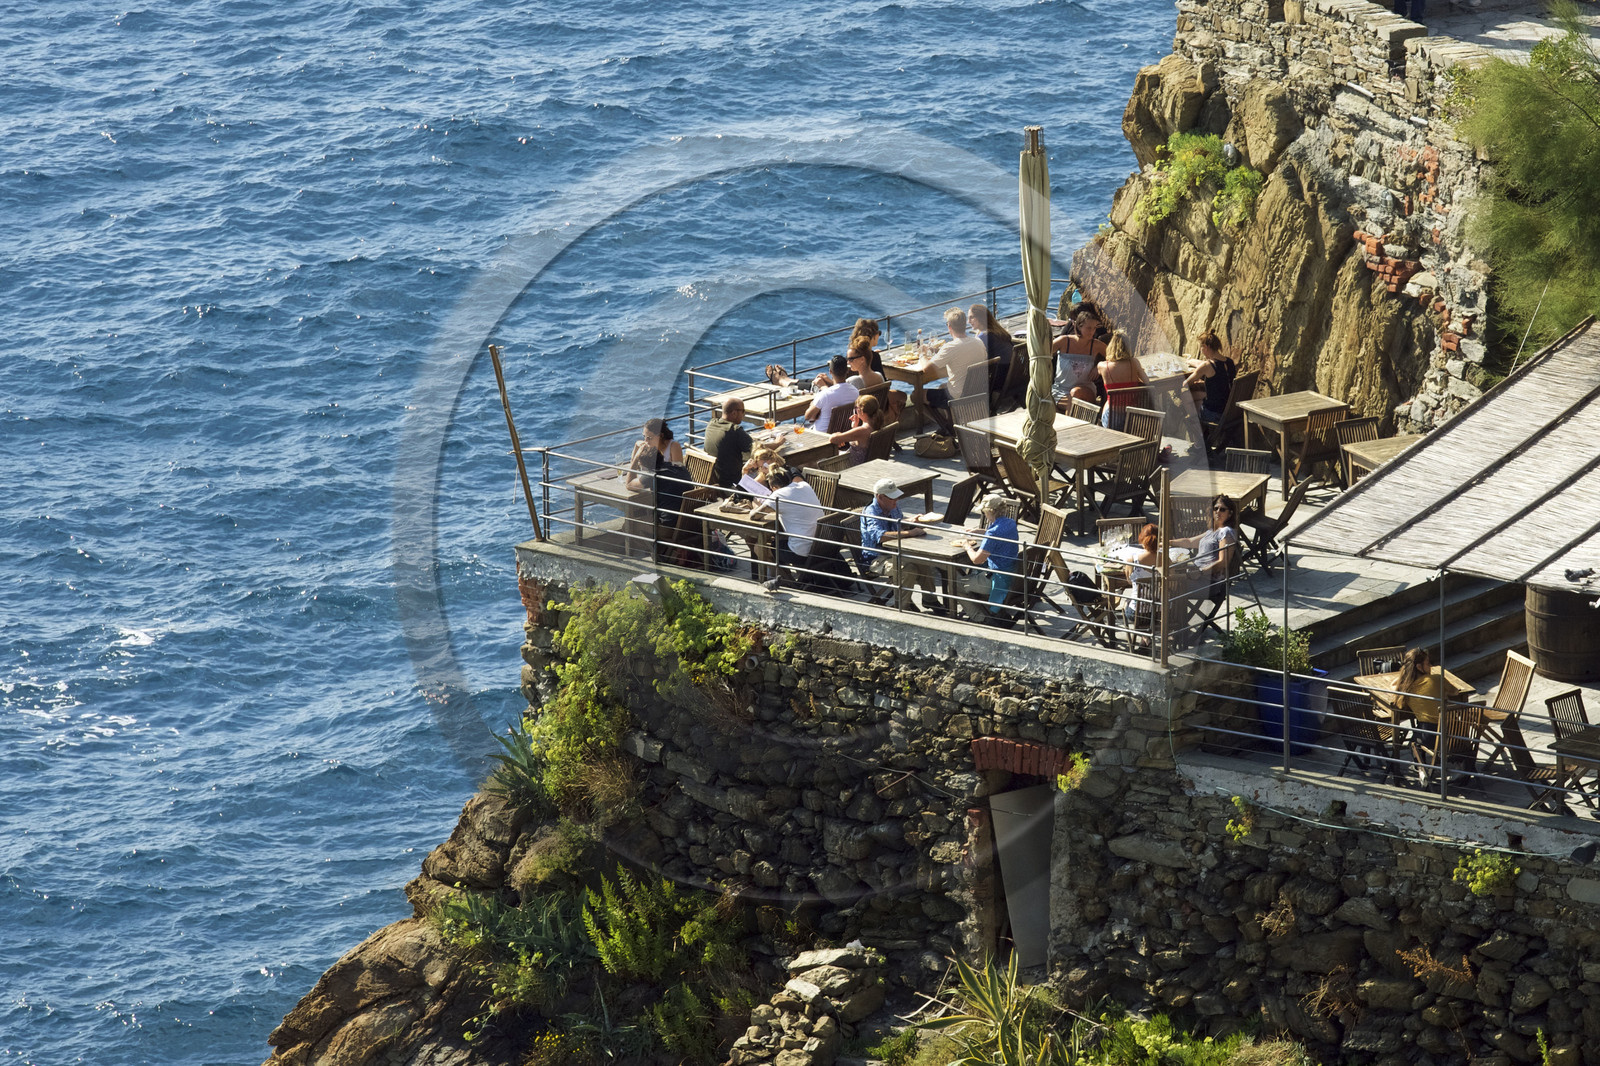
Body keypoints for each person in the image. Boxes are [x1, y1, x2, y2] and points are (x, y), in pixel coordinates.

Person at [859, 477, 937, 610]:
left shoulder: (892, 506)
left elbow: (899, 521)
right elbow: (881, 536)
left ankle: (930, 600)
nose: (896, 500)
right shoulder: (871, 512)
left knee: (922, 562)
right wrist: (910, 533)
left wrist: (911, 520)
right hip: (876, 558)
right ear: (880, 497)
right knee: (907, 569)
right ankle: (902, 607)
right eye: (892, 498)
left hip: (895, 552)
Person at [908, 307, 987, 432]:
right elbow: (962, 355)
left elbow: (926, 369)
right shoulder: (978, 342)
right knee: (942, 386)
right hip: (977, 392)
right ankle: (951, 424)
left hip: (957, 397)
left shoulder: (950, 347)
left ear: (949, 326)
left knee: (915, 395)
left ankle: (945, 425)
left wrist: (922, 354)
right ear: (965, 324)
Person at [751, 466, 828, 591]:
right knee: (778, 539)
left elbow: (755, 515)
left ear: (773, 487)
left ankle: (787, 581)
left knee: (759, 547)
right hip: (823, 546)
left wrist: (755, 502)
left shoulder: (778, 494)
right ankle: (785, 578)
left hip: (802, 552)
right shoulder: (804, 485)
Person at [956, 494, 1021, 620]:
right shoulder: (1011, 523)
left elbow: (977, 559)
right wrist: (979, 532)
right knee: (974, 574)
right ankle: (986, 610)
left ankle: (981, 618)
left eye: (984, 512)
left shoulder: (992, 533)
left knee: (955, 585)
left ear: (990, 511)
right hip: (1013, 575)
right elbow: (999, 534)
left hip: (998, 579)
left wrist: (967, 546)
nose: (984, 514)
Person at [1174, 494, 1239, 604]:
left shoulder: (1226, 532)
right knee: (1167, 582)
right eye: (1215, 508)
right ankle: (1175, 618)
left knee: (1170, 587)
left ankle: (1175, 619)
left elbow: (1223, 562)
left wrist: (1201, 572)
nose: (1218, 512)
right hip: (1197, 577)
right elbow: (1189, 542)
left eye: (1222, 509)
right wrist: (1167, 543)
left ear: (1230, 514)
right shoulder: (1211, 532)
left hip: (1209, 583)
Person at [625, 417, 689, 527]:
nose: (646, 441)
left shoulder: (654, 473)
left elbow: (629, 484)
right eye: (644, 437)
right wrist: (636, 446)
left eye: (649, 438)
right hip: (683, 518)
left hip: (668, 523)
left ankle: (652, 543)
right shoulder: (678, 469)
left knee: (630, 525)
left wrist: (636, 458)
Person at [1052, 302, 1107, 404]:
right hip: (1061, 390)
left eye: (1094, 328)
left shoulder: (1096, 345)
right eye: (1089, 328)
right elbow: (1041, 353)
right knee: (1069, 402)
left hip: (1085, 389)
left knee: (1075, 395)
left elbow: (1115, 357)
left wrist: (1099, 366)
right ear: (1078, 326)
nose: (1092, 332)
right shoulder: (1064, 341)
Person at [1184, 330, 1236, 438]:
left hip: (1215, 414)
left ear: (1205, 347)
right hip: (1229, 410)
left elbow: (1186, 383)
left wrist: (1197, 376)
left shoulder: (1207, 366)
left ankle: (1200, 441)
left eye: (1201, 348)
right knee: (1198, 396)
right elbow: (1220, 382)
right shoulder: (1229, 362)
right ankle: (1204, 436)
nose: (1201, 351)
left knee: (1185, 396)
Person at [1097, 330, 1148, 431]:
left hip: (1112, 419)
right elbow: (1146, 381)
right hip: (1131, 417)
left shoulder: (1103, 366)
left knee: (1107, 402)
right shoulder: (1134, 362)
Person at [702, 398, 752, 489]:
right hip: (731, 484)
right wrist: (777, 442)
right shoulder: (734, 430)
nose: (744, 414)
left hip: (713, 479)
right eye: (743, 411)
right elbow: (757, 448)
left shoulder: (711, 424)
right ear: (734, 413)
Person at [969, 303, 1017, 399]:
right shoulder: (997, 331)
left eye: (971, 318)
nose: (968, 321)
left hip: (998, 381)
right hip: (1011, 377)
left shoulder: (984, 336)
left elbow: (971, 359)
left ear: (980, 318)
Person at [1119, 523, 1162, 629]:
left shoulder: (1133, 560)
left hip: (1139, 613)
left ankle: (1145, 637)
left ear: (1143, 540)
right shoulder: (1167, 560)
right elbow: (1173, 586)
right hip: (1162, 612)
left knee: (1126, 603)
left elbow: (1128, 581)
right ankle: (1146, 637)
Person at [805, 354, 859, 429]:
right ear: (847, 371)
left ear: (830, 371)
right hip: (844, 434)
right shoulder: (855, 392)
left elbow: (807, 416)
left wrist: (812, 404)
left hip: (823, 436)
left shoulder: (824, 395)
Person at [829, 394, 884, 466]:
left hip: (853, 466)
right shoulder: (875, 426)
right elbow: (860, 440)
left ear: (861, 411)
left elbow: (833, 439)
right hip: (867, 464)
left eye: (856, 408)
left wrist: (838, 434)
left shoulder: (862, 431)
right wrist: (855, 426)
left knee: (814, 462)